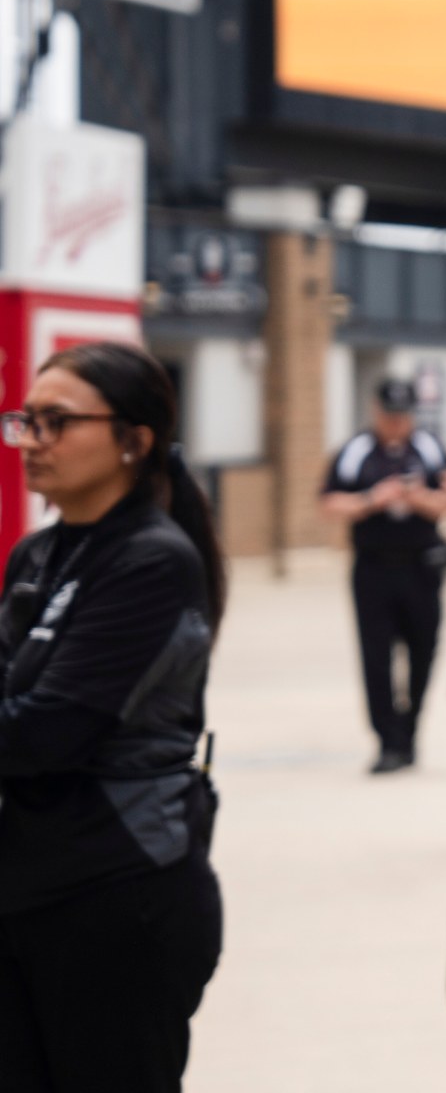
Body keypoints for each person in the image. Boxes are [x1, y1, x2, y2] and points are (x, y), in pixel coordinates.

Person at [0, 343, 224, 1091]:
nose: (32, 441)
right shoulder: (36, 556)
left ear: (134, 440)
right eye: (25, 422)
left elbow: (41, 736)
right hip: (30, 884)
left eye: (55, 423)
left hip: (119, 894)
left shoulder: (153, 562)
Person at [321, 375, 446, 773]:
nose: (396, 425)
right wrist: (372, 500)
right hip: (373, 567)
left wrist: (421, 500)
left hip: (422, 565)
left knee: (424, 651)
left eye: (403, 417)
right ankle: (387, 740)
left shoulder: (430, 449)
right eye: (389, 417)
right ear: (376, 412)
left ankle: (410, 730)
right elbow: (328, 502)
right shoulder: (355, 451)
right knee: (376, 657)